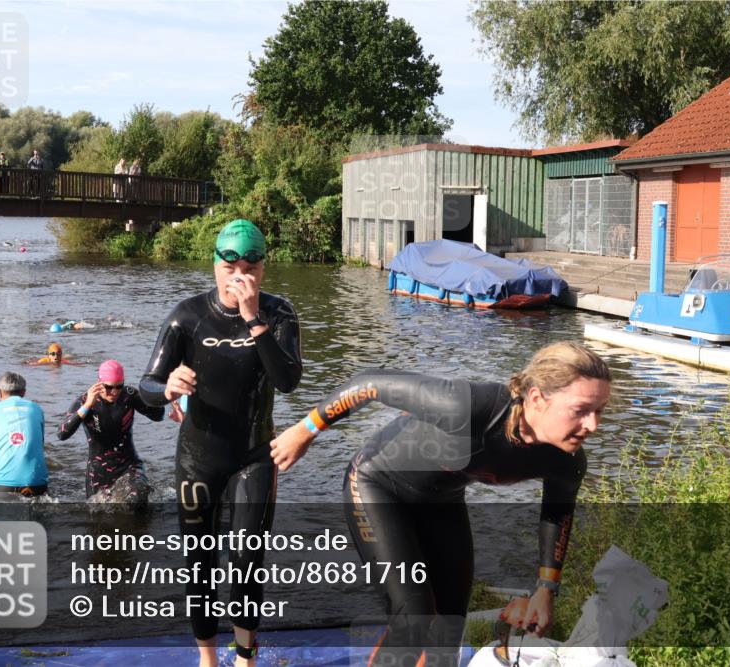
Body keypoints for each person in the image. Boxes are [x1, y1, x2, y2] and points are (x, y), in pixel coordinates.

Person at [270, 342, 612, 667]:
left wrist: (545, 590)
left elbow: (556, 515)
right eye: (581, 411)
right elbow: (368, 383)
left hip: (441, 499)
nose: (592, 425)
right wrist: (303, 431)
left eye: (599, 411)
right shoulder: (469, 407)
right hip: (377, 486)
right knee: (414, 617)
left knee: (448, 627)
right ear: (537, 398)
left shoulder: (567, 460)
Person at [138, 219, 301, 667]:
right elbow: (146, 386)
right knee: (200, 563)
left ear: (263, 269)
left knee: (248, 558)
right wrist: (167, 386)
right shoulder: (186, 316)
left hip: (254, 456)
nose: (240, 274)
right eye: (231, 264)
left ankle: (245, 659)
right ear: (215, 266)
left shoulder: (280, 313)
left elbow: (287, 380)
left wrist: (253, 319)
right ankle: (208, 658)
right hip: (198, 460)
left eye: (251, 265)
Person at [57, 360, 165, 505]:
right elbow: (62, 434)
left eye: (118, 386)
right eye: (108, 387)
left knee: (138, 499)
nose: (114, 392)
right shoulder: (85, 401)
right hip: (98, 471)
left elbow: (158, 416)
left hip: (129, 464)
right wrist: (87, 406)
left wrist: (162, 398)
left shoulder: (129, 395)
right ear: (99, 383)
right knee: (98, 519)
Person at [0, 372, 48, 497]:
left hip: (3, 484)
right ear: (24, 392)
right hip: (37, 482)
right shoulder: (36, 409)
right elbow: (39, 444)